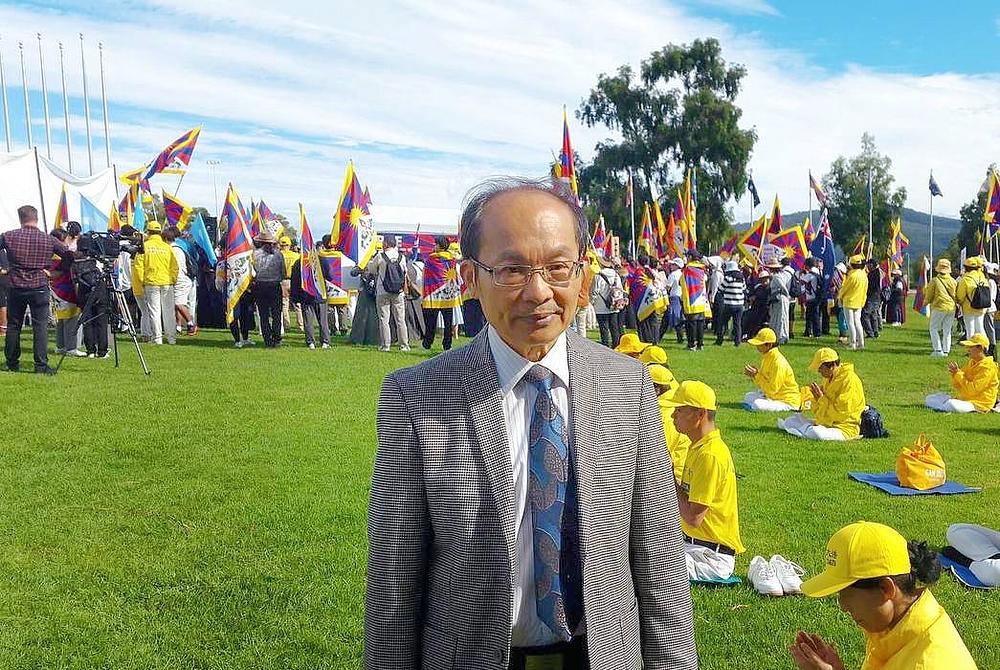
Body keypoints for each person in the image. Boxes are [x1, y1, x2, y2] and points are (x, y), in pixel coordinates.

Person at [366, 176, 696, 669]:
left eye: (558, 267)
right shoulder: (416, 398)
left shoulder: (629, 384)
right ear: (470, 277)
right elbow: (394, 578)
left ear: (583, 277)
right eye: (512, 270)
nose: (538, 292)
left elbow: (659, 562)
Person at [790, 521, 978, 670]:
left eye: (845, 593)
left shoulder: (927, 663)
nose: (843, 606)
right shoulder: (899, 628)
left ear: (886, 589)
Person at [663, 380, 744, 581]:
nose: (673, 416)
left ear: (700, 414)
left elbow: (693, 518)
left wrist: (669, 478)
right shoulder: (698, 446)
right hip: (694, 546)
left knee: (646, 565)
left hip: (710, 558)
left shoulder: (710, 455)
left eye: (680, 410)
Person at [0, 205, 72, 373]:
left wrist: (4, 269)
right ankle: (41, 365)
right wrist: (57, 272)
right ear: (36, 218)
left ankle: (11, 363)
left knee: (14, 325)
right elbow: (69, 255)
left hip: (16, 286)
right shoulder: (48, 239)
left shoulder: (8, 236)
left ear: (20, 219)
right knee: (40, 327)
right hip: (39, 286)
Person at [779, 348, 865, 441]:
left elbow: (841, 414)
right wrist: (814, 399)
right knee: (790, 420)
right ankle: (804, 429)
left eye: (820, 368)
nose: (819, 371)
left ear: (831, 365)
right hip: (826, 423)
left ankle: (804, 430)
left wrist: (821, 399)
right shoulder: (829, 378)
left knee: (816, 432)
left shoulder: (849, 381)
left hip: (844, 428)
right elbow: (820, 410)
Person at [924, 333, 998, 413]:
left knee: (951, 404)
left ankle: (944, 406)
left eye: (970, 347)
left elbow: (973, 390)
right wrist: (954, 374)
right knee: (929, 398)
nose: (967, 349)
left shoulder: (988, 367)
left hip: (980, 403)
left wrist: (958, 374)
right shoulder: (972, 362)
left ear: (980, 348)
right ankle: (944, 406)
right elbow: (956, 385)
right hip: (965, 399)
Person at [742, 327, 800, 412]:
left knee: (757, 404)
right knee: (748, 396)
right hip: (774, 396)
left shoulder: (778, 362)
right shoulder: (767, 357)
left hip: (786, 401)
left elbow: (772, 390)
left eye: (760, 344)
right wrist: (756, 374)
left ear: (769, 345)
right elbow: (765, 381)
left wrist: (756, 375)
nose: (757, 346)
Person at [649, 363, 689, 484]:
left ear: (656, 389)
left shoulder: (664, 416)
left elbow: (655, 457)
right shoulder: (672, 402)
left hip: (671, 481)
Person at [140, 221, 179, 345]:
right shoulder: (167, 247)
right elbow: (175, 266)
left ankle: (157, 338)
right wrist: (172, 279)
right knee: (169, 312)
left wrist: (142, 281)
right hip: (167, 282)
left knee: (154, 311)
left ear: (148, 232)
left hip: (151, 282)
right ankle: (172, 338)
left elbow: (139, 267)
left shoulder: (144, 246)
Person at [420, 235, 460, 351]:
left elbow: (426, 276)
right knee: (448, 322)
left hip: (433, 294)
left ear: (440, 245)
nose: (434, 246)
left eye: (436, 244)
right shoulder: (452, 259)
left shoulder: (431, 259)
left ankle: (428, 342)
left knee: (431, 321)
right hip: (448, 294)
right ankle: (447, 344)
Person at [49, 227, 85, 357]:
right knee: (71, 318)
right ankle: (71, 347)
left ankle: (61, 346)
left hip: (55, 289)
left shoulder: (48, 254)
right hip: (65, 289)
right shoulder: (62, 255)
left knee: (61, 319)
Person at [370, 234, 409, 352]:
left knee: (384, 319)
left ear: (386, 243)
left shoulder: (380, 256)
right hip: (398, 292)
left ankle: (385, 345)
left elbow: (372, 270)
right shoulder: (401, 257)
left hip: (383, 290)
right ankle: (404, 345)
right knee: (400, 319)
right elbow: (405, 272)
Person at [251, 230, 286, 348]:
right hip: (275, 285)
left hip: (260, 286)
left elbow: (252, 271)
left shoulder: (254, 254)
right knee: (277, 313)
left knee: (263, 314)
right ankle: (276, 337)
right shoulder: (278, 254)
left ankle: (267, 338)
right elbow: (283, 272)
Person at [163, 226, 198, 336]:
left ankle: (191, 323)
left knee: (179, 303)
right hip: (181, 279)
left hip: (181, 280)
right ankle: (179, 326)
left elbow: (176, 267)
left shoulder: (174, 250)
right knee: (177, 304)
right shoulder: (177, 248)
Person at [289, 255, 329, 349]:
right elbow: (329, 275)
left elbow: (294, 281)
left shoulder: (299, 262)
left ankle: (310, 342)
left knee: (308, 320)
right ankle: (325, 341)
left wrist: (295, 297)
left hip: (306, 295)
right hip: (320, 294)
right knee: (323, 320)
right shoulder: (321, 260)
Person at [924, 258, 957, 357]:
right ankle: (946, 350)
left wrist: (925, 303)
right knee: (947, 330)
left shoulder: (935, 280)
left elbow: (929, 295)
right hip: (951, 307)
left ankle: (938, 350)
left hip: (939, 307)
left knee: (933, 328)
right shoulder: (953, 281)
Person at [590, 255, 624, 348]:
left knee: (604, 329)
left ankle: (605, 347)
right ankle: (616, 346)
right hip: (614, 306)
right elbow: (620, 289)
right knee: (614, 328)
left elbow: (595, 291)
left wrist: (592, 302)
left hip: (600, 306)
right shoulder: (616, 275)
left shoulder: (598, 276)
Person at [838, 255, 868, 350]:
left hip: (849, 301)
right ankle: (861, 343)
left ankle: (852, 343)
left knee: (850, 323)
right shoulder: (864, 275)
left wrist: (839, 297)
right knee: (858, 322)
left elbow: (844, 288)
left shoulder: (851, 275)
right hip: (859, 301)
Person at [681, 250, 709, 350]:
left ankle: (691, 344)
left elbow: (682, 282)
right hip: (701, 299)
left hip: (691, 299)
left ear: (690, 257)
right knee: (700, 323)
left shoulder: (688, 268)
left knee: (691, 324)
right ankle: (700, 344)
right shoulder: (702, 268)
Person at [956, 256, 988, 339]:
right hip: (982, 307)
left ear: (966, 268)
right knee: (980, 329)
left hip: (969, 308)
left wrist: (959, 302)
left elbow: (960, 296)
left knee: (970, 330)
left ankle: (972, 350)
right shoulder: (983, 278)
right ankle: (984, 348)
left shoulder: (965, 279)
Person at [716, 259, 746, 346]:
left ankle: (719, 340)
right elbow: (744, 290)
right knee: (737, 324)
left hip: (729, 304)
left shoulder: (728, 278)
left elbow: (720, 289)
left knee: (722, 323)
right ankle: (737, 342)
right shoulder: (741, 279)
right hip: (739, 305)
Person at [279, 236, 302, 333]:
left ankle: (286, 325)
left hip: (283, 281)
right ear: (290, 245)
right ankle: (301, 325)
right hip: (294, 281)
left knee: (284, 304)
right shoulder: (296, 255)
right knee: (298, 304)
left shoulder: (278, 255)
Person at [767, 254, 792, 344]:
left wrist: (786, 295)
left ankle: (781, 337)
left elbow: (783, 287)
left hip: (780, 299)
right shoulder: (781, 275)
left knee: (780, 318)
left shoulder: (777, 277)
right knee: (781, 317)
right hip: (781, 298)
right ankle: (781, 336)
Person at [861, 259, 883, 339]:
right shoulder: (878, 272)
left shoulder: (872, 274)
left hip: (871, 296)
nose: (867, 266)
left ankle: (870, 333)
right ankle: (875, 331)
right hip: (877, 297)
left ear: (871, 265)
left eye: (868, 265)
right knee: (873, 315)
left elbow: (870, 286)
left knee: (865, 314)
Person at [801, 258, 822, 338]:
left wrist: (803, 274)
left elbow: (802, 281)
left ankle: (810, 332)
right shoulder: (818, 272)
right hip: (817, 296)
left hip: (811, 297)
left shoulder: (810, 274)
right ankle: (815, 332)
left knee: (810, 316)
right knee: (815, 315)